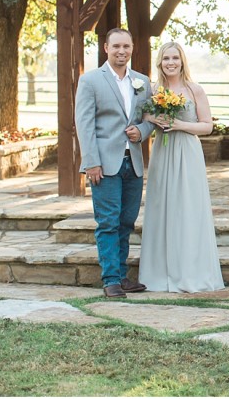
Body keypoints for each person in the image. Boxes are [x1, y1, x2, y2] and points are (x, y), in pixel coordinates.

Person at [74, 28, 155, 298]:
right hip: (104, 165)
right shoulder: (91, 81)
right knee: (108, 222)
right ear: (106, 48)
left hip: (132, 163)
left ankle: (122, 275)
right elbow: (84, 125)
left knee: (127, 222)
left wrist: (141, 133)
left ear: (132, 49)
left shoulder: (142, 82)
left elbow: (149, 120)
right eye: (116, 46)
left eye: (127, 46)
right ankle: (110, 280)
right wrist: (91, 162)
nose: (122, 51)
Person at [139, 42, 224, 292]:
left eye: (175, 58)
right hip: (163, 153)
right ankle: (160, 273)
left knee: (188, 208)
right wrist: (156, 118)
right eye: (166, 58)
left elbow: (207, 126)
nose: (171, 62)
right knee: (162, 207)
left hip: (187, 151)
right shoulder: (153, 90)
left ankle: (190, 272)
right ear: (160, 62)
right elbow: (144, 116)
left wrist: (178, 124)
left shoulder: (194, 89)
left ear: (183, 61)